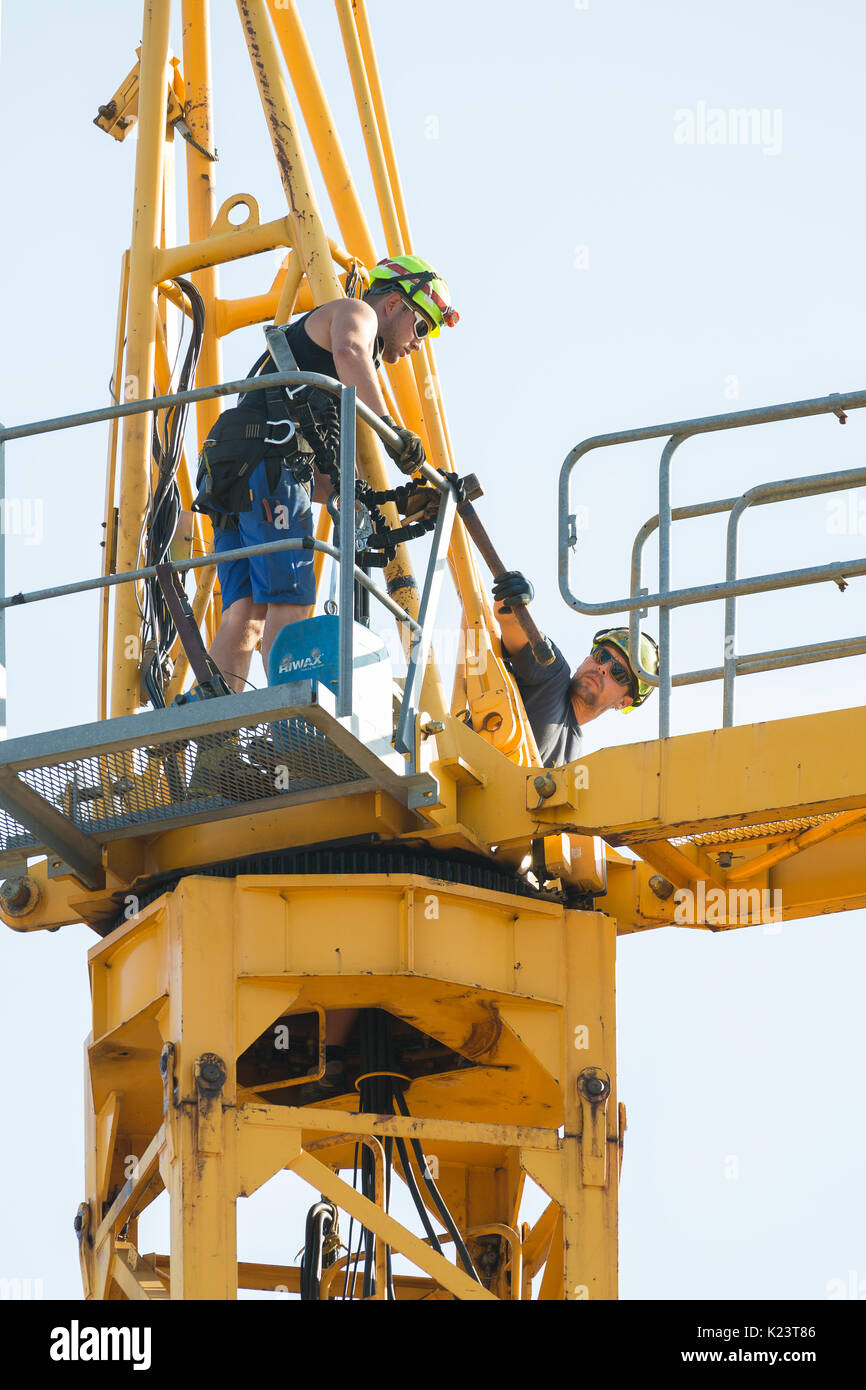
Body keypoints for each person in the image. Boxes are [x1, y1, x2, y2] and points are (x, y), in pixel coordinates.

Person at [205, 254, 459, 692]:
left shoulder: (323, 380)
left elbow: (317, 478)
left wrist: (391, 502)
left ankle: (212, 733)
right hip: (268, 464)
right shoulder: (355, 313)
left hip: (235, 467)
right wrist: (392, 432)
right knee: (289, 600)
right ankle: (292, 724)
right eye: (421, 327)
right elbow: (350, 350)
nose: (419, 343)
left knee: (245, 614)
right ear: (394, 305)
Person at [491, 570, 660, 766]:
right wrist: (516, 599)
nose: (603, 668)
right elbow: (513, 625)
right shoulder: (552, 675)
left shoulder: (574, 761)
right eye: (601, 655)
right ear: (586, 659)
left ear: (623, 702)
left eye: (618, 672)